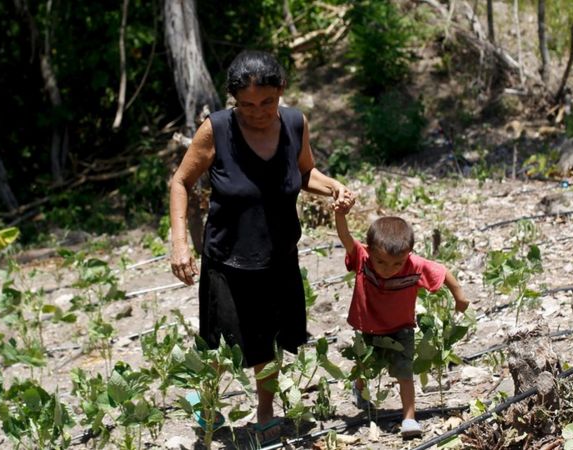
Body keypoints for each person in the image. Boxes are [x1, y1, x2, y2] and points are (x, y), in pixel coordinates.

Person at [169, 49, 353, 443]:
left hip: (279, 255)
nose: (258, 111)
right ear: (234, 100)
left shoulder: (293, 124)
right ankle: (206, 404)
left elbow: (305, 173)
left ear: (281, 91)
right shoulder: (216, 130)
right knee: (222, 343)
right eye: (247, 104)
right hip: (228, 257)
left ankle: (265, 412)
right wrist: (180, 243)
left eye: (267, 101)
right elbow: (180, 182)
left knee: (268, 339)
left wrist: (333, 188)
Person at [334, 212, 469, 439]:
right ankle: (358, 388)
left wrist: (460, 297)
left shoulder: (414, 265)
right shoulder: (362, 257)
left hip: (401, 328)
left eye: (398, 263)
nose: (389, 269)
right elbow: (345, 236)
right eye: (382, 262)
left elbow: (443, 272)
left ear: (409, 254)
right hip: (368, 326)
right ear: (369, 250)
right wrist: (339, 213)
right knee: (365, 365)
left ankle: (409, 418)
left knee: (404, 373)